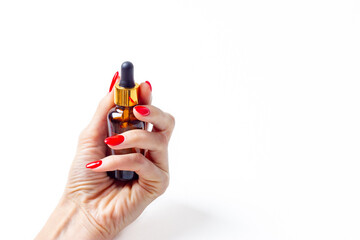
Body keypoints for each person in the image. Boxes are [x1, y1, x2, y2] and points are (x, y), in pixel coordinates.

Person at [35, 75, 175, 240]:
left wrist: (94, 223)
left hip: (128, 181)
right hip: (106, 178)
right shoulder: (113, 115)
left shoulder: (132, 118)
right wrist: (81, 206)